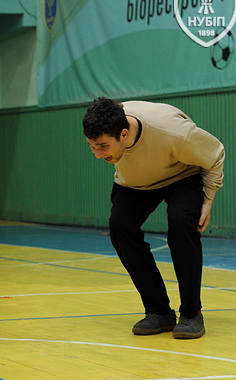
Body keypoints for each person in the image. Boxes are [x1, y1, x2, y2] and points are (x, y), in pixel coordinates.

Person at [82, 97, 225, 340]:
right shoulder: (111, 122)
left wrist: (208, 200)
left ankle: (192, 313)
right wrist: (106, 149)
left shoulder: (174, 132)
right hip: (135, 183)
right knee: (120, 226)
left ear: (124, 134)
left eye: (103, 146)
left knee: (181, 221)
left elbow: (215, 153)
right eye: (92, 146)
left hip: (181, 175)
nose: (97, 154)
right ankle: (159, 311)